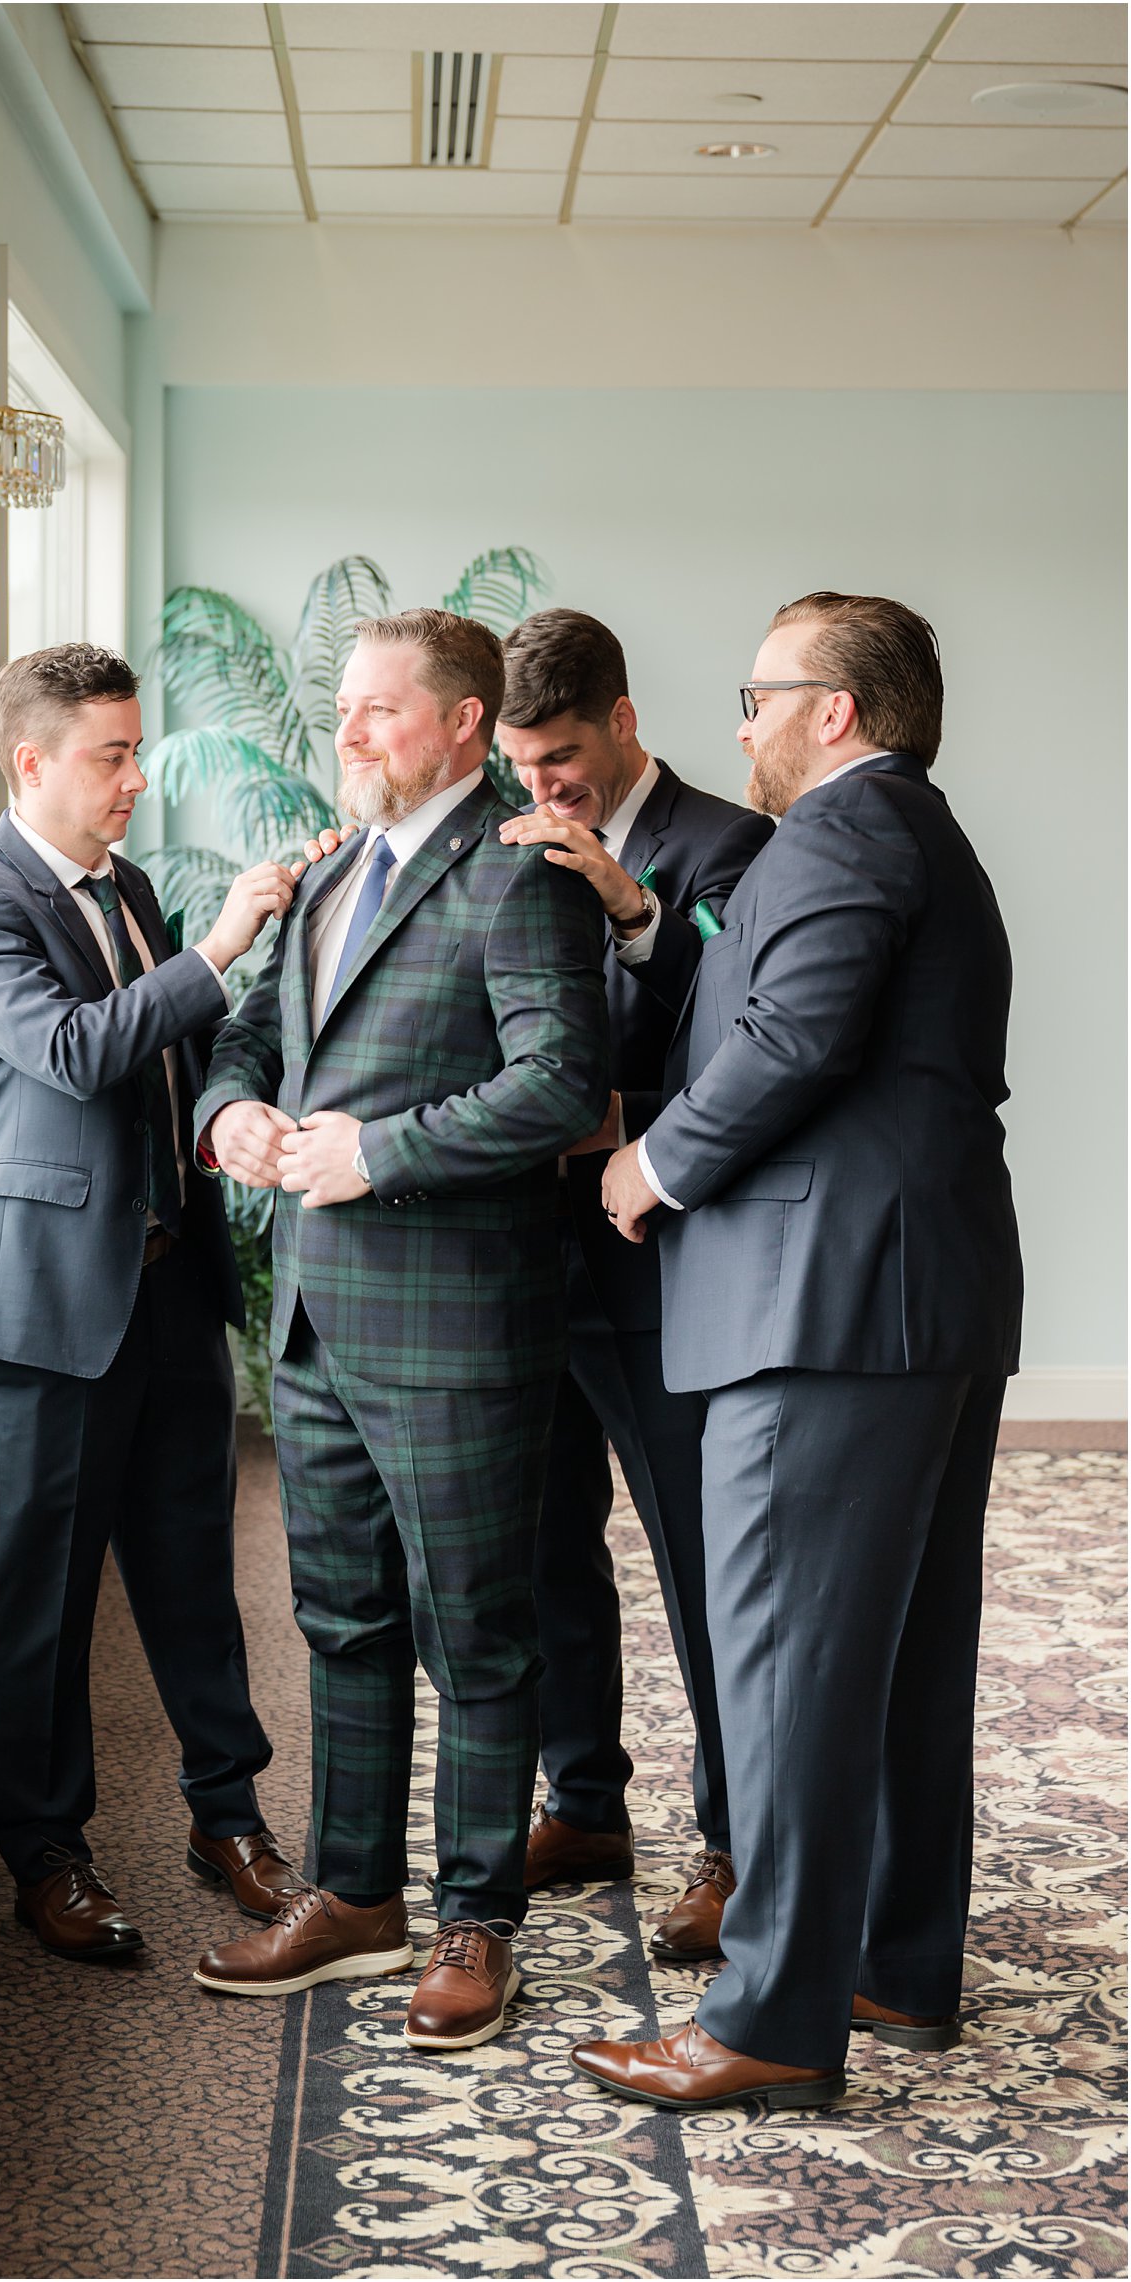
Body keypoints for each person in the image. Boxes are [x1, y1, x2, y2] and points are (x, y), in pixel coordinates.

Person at [569, 593, 1023, 2111]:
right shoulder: (900, 834)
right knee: (890, 1657)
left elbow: (794, 1033)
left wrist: (653, 1167)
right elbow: (768, 1003)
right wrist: (645, 925)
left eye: (762, 693)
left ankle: (768, 2014)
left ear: (836, 710)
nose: (742, 721)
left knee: (790, 1666)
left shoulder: (845, 832)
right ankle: (894, 1957)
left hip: (823, 1308)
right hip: (904, 1301)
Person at [190, 609, 609, 2049]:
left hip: (458, 1332)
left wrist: (381, 1151)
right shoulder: (326, 875)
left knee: (477, 1634)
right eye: (349, 708)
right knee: (343, 1618)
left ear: (463, 725)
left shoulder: (518, 873)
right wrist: (229, 1111)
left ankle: (477, 1920)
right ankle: (356, 1894)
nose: (349, 730)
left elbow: (560, 1085)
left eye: (379, 710)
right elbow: (254, 1036)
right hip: (312, 1323)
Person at [0, 642, 305, 1962]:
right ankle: (47, 1855)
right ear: (32, 760)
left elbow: (172, 1070)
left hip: (167, 1290)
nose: (137, 777)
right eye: (112, 754)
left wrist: (237, 1117)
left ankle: (227, 1815)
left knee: (197, 1574)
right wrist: (221, 947)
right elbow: (79, 1053)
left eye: (138, 749)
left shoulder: (129, 886)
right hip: (41, 1315)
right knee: (43, 1596)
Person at [493, 609, 771, 1959]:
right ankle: (585, 1799)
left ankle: (735, 1841)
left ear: (624, 720)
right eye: (523, 763)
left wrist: (630, 909)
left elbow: (752, 1060)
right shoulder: (503, 848)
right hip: (528, 1260)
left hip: (662, 1263)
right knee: (550, 1545)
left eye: (564, 757)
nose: (546, 788)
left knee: (700, 1556)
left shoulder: (731, 848)